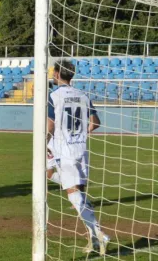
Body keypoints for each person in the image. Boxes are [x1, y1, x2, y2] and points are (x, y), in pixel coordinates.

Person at [47, 60, 109, 255]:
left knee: (73, 194)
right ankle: (92, 238)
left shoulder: (54, 96)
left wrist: (43, 144)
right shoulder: (83, 95)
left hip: (63, 148)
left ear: (57, 74)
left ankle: (100, 234)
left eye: (54, 72)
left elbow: (50, 125)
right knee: (75, 192)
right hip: (80, 148)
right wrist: (81, 133)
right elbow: (96, 122)